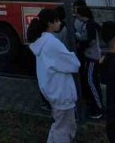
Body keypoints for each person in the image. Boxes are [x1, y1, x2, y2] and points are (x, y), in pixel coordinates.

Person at [27, 8, 80, 143]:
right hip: (62, 93)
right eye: (57, 21)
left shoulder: (42, 42)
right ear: (50, 23)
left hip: (54, 92)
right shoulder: (53, 43)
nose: (59, 23)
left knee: (61, 126)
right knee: (63, 129)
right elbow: (74, 64)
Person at [74, 6, 103, 119]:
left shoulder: (89, 24)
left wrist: (80, 44)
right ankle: (94, 106)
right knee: (91, 80)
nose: (75, 15)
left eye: (76, 13)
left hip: (92, 57)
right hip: (90, 56)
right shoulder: (87, 24)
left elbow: (91, 40)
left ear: (82, 14)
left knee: (90, 81)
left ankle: (98, 109)